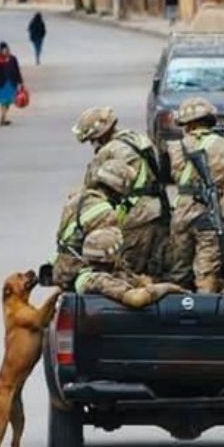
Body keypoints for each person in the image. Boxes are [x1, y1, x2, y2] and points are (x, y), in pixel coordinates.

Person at [165, 97, 224, 294]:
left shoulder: (175, 147)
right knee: (206, 274)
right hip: (209, 213)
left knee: (178, 272)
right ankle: (205, 312)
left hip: (181, 214)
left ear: (187, 124)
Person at [73, 106, 170, 276]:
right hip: (158, 209)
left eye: (91, 139)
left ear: (99, 134)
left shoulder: (108, 151)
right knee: (156, 265)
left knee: (127, 267)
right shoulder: (138, 138)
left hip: (134, 216)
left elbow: (91, 186)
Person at [74, 227, 187, 309]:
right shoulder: (96, 280)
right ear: (112, 257)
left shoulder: (109, 273)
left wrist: (145, 283)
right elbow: (136, 299)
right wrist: (167, 288)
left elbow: (138, 281)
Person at [50, 184, 121, 290]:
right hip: (77, 269)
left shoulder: (76, 200)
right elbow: (105, 243)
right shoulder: (106, 211)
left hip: (61, 269)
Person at [0, 42, 23, 126]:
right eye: (3, 50)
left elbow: (17, 71)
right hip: (0, 84)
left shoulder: (13, 59)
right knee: (3, 101)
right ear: (0, 50)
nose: (5, 51)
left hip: (11, 84)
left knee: (8, 101)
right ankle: (3, 118)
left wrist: (20, 82)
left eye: (6, 49)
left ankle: (4, 116)